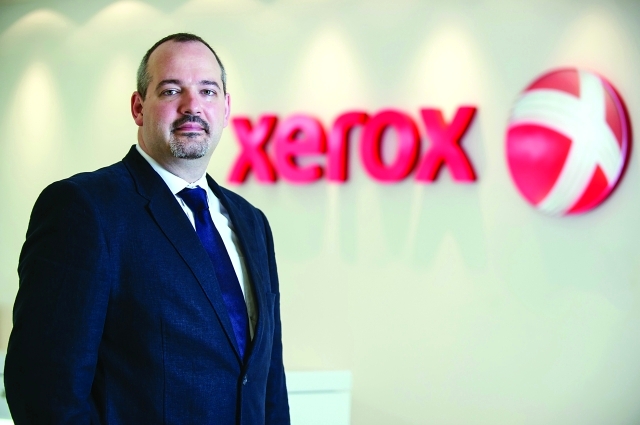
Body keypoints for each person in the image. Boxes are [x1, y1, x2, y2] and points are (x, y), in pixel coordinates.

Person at [4, 33, 290, 425]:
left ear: (225, 109)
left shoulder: (251, 221)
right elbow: (44, 388)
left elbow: (268, 378)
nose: (192, 106)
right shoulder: (84, 209)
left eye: (207, 91)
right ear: (139, 108)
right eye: (171, 90)